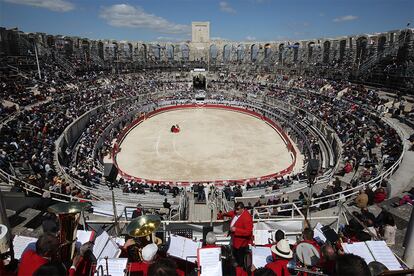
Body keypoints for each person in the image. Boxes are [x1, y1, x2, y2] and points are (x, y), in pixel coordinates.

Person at [224, 202, 253, 270]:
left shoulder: (247, 218)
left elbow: (248, 232)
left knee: (240, 261)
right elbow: (231, 213)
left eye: (237, 209)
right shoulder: (236, 213)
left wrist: (236, 230)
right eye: (235, 209)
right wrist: (223, 214)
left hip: (241, 244)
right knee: (235, 256)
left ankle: (240, 271)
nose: (236, 211)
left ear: (242, 209)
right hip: (235, 241)